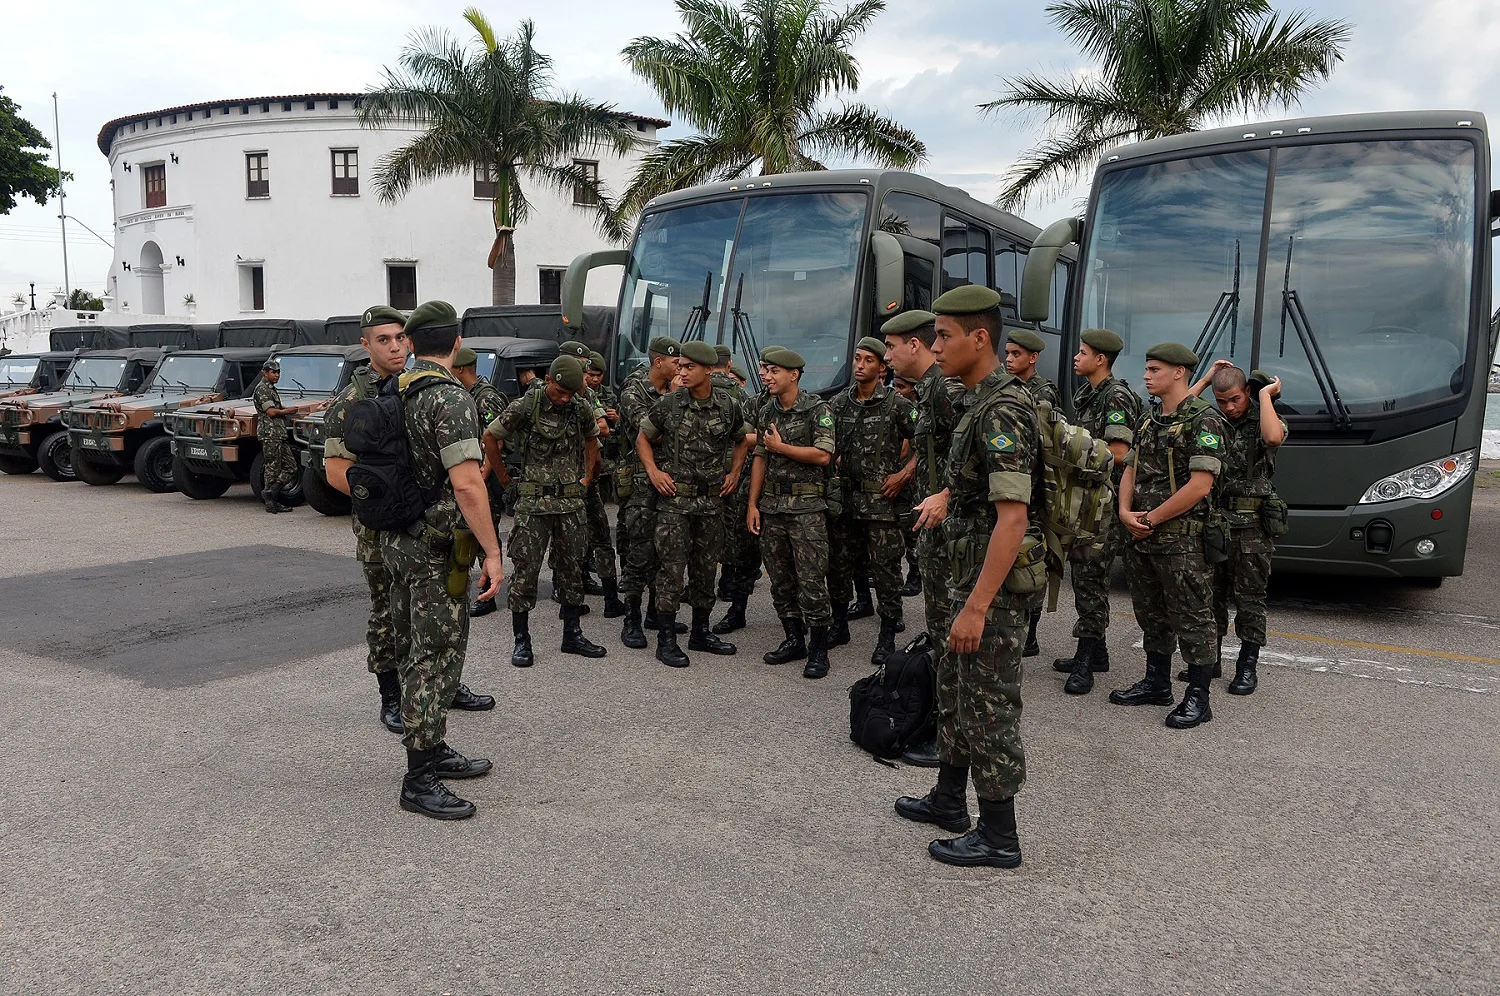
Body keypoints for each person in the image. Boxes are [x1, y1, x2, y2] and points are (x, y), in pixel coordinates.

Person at [895, 284, 1039, 869]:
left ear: (980, 338)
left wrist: (977, 606)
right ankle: (950, 801)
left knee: (989, 705)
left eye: (945, 336)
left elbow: (1014, 517)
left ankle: (1000, 837)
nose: (936, 346)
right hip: (963, 574)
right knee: (956, 691)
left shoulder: (1003, 408)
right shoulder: (975, 400)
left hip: (992, 589)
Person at [373, 301, 505, 821]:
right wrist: (493, 552)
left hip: (395, 539)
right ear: (455, 343)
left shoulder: (393, 388)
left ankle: (434, 749)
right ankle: (419, 777)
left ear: (412, 341)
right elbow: (468, 482)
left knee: (414, 646)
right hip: (433, 548)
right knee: (435, 652)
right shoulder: (449, 397)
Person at [1108, 342, 1226, 730]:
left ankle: (1198, 698)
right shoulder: (1149, 419)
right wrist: (1125, 513)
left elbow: (1201, 485)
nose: (1146, 376)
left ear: (1179, 373)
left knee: (1192, 617)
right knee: (1151, 614)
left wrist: (1152, 519)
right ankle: (1157, 683)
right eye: (1147, 369)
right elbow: (1130, 467)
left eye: (1154, 370)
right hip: (1143, 534)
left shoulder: (1203, 419)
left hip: (1181, 540)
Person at [484, 355, 608, 668]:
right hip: (533, 504)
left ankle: (572, 634)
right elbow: (491, 436)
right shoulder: (529, 405)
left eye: (570, 393)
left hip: (569, 503)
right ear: (549, 380)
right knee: (525, 571)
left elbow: (593, 439)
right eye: (560, 392)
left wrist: (587, 477)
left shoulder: (579, 408)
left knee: (571, 570)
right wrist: (504, 479)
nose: (564, 398)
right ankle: (521, 641)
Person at [883, 308, 967, 768]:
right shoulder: (928, 390)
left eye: (892, 347)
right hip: (935, 532)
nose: (887, 356)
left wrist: (947, 496)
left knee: (949, 632)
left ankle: (948, 735)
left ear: (913, 345)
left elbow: (977, 459)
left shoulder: (947, 390)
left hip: (952, 533)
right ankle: (938, 721)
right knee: (938, 631)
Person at [637, 340, 753, 666]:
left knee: (705, 571)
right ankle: (666, 639)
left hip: (711, 503)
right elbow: (643, 438)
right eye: (680, 366)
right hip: (675, 503)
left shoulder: (728, 405)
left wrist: (735, 472)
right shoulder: (670, 404)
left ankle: (701, 632)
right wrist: (654, 470)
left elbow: (742, 439)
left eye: (689, 367)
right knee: (671, 572)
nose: (682, 372)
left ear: (706, 370)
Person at [1051, 329, 1142, 694]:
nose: (1076, 356)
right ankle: (1098, 651)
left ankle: (1086, 661)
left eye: (1083, 351)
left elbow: (1120, 453)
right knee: (1084, 577)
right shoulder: (1088, 393)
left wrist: (1072, 446)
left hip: (1103, 504)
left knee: (1091, 580)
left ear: (1101, 359)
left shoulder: (1115, 395)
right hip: (1084, 501)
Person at [1189, 360, 1286, 694]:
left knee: (1249, 600)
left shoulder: (1264, 418)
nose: (1229, 407)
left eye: (1235, 399)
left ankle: (1247, 666)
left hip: (1252, 529)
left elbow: (1273, 439)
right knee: (1210, 597)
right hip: (1215, 524)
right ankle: (1211, 661)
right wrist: (1204, 379)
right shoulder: (1212, 421)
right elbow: (1180, 409)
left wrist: (1266, 398)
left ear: (1247, 392)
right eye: (1222, 401)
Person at [747, 346, 836, 679]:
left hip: (807, 510)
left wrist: (781, 447)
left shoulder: (817, 409)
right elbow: (759, 456)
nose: (765, 376)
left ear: (793, 374)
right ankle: (793, 639)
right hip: (772, 507)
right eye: (764, 371)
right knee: (781, 581)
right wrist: (752, 504)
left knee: (811, 580)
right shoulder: (765, 409)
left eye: (772, 371)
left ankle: (818, 650)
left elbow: (824, 454)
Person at [828, 336, 916, 665]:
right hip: (847, 501)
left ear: (882, 367)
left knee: (886, 572)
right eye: (857, 358)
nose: (860, 365)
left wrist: (904, 473)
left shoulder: (897, 404)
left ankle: (887, 634)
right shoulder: (839, 404)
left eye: (868, 360)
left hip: (883, 502)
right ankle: (838, 625)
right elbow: (828, 444)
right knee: (839, 567)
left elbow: (927, 440)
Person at [617, 337, 683, 649]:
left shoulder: (673, 392)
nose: (680, 367)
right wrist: (675, 398)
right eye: (675, 362)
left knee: (665, 551)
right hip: (643, 482)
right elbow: (651, 433)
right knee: (639, 552)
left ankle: (657, 613)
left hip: (670, 481)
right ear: (659, 362)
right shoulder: (635, 392)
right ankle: (631, 619)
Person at [1003, 327, 1058, 657]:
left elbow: (1042, 443)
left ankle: (1031, 631)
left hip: (1035, 488)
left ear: (1033, 358)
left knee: (1031, 557)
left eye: (1016, 354)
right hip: (1015, 483)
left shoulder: (1042, 392)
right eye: (1007, 353)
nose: (1008, 359)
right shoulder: (1009, 387)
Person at [452, 346, 508, 618]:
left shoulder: (486, 398)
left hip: (486, 478)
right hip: (473, 476)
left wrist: (483, 475)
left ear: (460, 368)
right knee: (469, 532)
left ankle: (488, 594)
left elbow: (495, 439)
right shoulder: (466, 395)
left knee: (485, 534)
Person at [709, 345, 762, 635]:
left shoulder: (696, 391)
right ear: (729, 365)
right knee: (734, 530)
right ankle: (728, 585)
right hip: (735, 473)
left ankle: (704, 585)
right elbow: (747, 438)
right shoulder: (742, 396)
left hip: (706, 472)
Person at [582, 349, 626, 616]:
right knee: (573, 540)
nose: (593, 379)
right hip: (581, 476)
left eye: (598, 375)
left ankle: (609, 597)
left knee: (598, 536)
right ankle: (571, 593)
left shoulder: (594, 397)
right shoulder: (538, 399)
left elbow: (609, 430)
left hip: (595, 472)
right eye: (589, 374)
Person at [891, 373, 923, 598]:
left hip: (911, 480)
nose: (898, 391)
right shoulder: (894, 406)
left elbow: (906, 449)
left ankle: (915, 573)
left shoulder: (915, 412)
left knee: (912, 529)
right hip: (895, 476)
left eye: (902, 387)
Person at [253, 357, 298, 514]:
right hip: (270, 434)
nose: (277, 375)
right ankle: (271, 501)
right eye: (274, 372)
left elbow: (275, 406)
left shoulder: (271, 388)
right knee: (272, 467)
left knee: (291, 466)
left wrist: (290, 410)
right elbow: (271, 412)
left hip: (279, 433)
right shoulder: (262, 389)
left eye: (278, 372)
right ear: (265, 373)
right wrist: (287, 412)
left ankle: (272, 492)